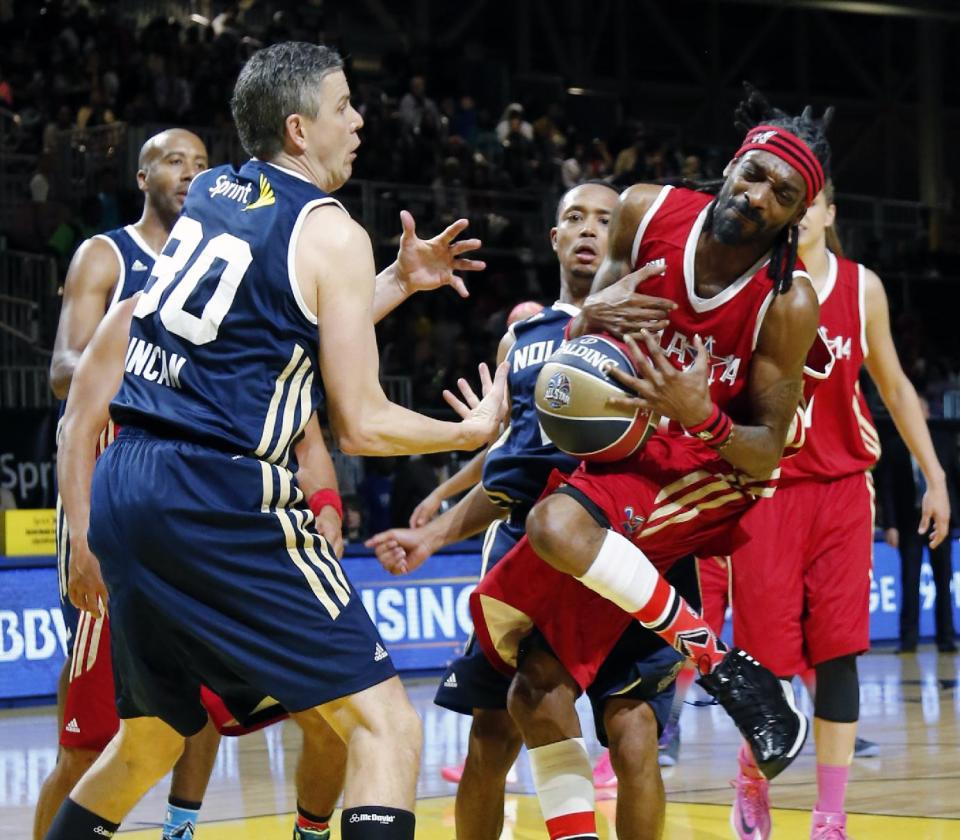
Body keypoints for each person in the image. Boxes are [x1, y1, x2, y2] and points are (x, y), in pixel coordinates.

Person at [43, 41, 507, 840]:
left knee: (149, 738)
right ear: (299, 129)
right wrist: (469, 429)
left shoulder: (220, 192)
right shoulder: (331, 229)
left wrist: (396, 283)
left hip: (129, 480)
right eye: (343, 106)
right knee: (386, 728)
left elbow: (265, 323)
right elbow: (360, 422)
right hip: (217, 496)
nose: (359, 120)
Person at [465, 85, 835, 840]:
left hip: (701, 477)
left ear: (796, 217)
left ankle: (717, 662)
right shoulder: (644, 210)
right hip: (616, 461)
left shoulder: (787, 304)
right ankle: (724, 666)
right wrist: (589, 318)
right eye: (754, 175)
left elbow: (765, 455)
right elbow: (583, 344)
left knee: (558, 534)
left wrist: (700, 413)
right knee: (534, 691)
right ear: (732, 166)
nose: (758, 196)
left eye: (782, 194)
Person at [368, 182, 684, 840]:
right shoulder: (526, 336)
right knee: (491, 734)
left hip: (623, 550)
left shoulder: (662, 327)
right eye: (575, 218)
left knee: (635, 734)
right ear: (555, 238)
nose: (591, 229)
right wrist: (444, 512)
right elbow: (514, 454)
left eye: (605, 218)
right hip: (529, 549)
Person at [727, 182, 952, 840]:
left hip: (844, 488)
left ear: (829, 214)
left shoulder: (863, 287)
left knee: (839, 654)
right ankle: (752, 771)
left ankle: (830, 817)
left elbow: (895, 385)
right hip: (765, 492)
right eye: (785, 204)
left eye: (810, 204)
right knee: (762, 663)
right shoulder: (745, 284)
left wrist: (934, 476)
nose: (797, 216)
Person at [38, 128, 225, 840]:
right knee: (87, 732)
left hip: (186, 502)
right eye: (176, 161)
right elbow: (62, 371)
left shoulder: (215, 271)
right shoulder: (106, 254)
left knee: (202, 696)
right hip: (108, 491)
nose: (191, 174)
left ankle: (180, 828)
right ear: (142, 175)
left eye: (203, 164)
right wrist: (146, 362)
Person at [879, 396, 958, 653]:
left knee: (943, 580)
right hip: (910, 522)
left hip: (939, 519)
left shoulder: (944, 443)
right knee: (910, 581)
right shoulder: (894, 446)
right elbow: (887, 489)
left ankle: (946, 639)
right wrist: (890, 524)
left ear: (925, 414)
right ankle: (908, 640)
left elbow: (956, 483)